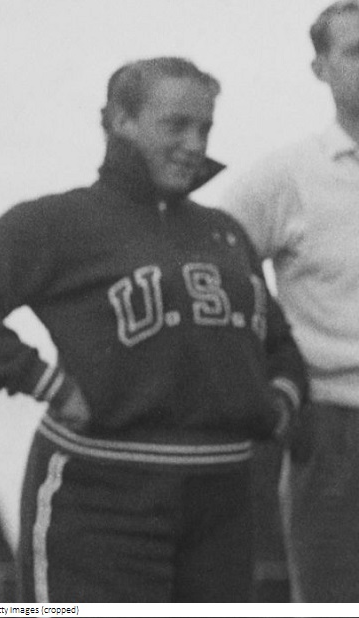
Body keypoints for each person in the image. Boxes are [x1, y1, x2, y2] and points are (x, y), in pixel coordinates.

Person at [0, 56, 307, 603]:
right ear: (121, 120)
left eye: (205, 128)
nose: (195, 144)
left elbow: (279, 345)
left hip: (223, 504)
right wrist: (46, 383)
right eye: (176, 125)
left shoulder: (224, 232)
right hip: (101, 502)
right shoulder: (60, 221)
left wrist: (278, 404)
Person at [220, 0, 359, 603]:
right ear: (320, 68)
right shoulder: (289, 175)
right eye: (355, 52)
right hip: (332, 423)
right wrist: (270, 376)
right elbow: (207, 263)